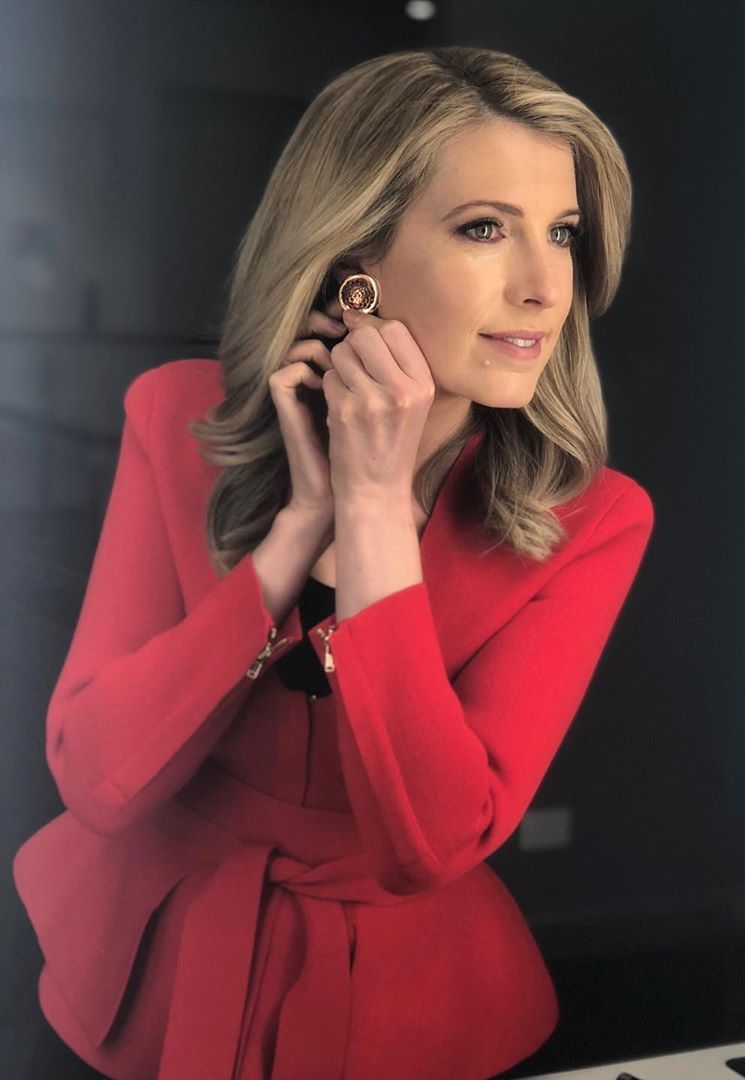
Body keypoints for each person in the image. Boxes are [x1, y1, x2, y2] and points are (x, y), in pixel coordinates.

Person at [12, 44, 654, 1079]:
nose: (546, 287)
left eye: (563, 233)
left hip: (408, 1012)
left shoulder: (596, 519)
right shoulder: (172, 417)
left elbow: (433, 843)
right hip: (140, 972)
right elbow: (97, 776)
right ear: (357, 263)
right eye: (485, 228)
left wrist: (372, 512)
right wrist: (293, 537)